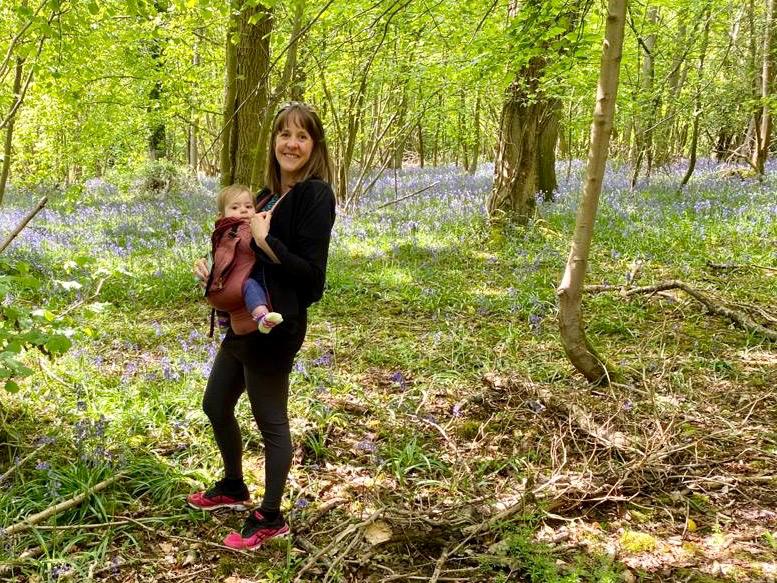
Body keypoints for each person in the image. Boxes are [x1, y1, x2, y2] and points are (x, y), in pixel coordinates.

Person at [189, 102, 336, 550]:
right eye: (284, 134)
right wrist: (215, 269)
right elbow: (242, 256)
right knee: (215, 405)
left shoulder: (315, 196)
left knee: (270, 421)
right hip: (239, 322)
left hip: (275, 326)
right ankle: (234, 486)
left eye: (302, 136)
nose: (291, 144)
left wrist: (265, 241)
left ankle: (271, 517)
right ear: (273, 141)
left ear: (314, 146)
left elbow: (312, 279)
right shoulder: (266, 196)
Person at [208, 184, 283, 334]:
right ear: (222, 215)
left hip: (226, 282)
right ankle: (262, 316)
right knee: (251, 285)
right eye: (235, 208)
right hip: (240, 280)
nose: (243, 210)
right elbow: (251, 243)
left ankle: (225, 319)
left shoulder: (221, 231)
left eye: (248, 206)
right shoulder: (240, 229)